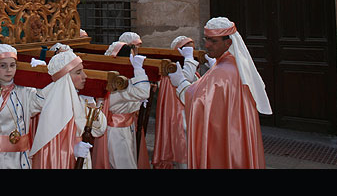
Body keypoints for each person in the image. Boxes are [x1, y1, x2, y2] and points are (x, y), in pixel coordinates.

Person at [168, 17, 272, 169]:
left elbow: (198, 100)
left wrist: (181, 83)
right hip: (235, 136)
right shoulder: (234, 65)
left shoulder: (222, 71)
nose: (207, 44)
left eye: (213, 41)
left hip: (225, 138)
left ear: (228, 43)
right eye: (207, 39)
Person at [30, 47, 107, 169]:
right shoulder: (50, 103)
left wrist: (91, 102)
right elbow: (50, 144)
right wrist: (71, 149)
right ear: (65, 78)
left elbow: (99, 130)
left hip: (82, 156)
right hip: (58, 159)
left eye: (83, 71)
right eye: (78, 72)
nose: (85, 76)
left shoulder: (83, 100)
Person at [94, 32, 151, 169]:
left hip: (125, 127)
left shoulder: (120, 80)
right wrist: (139, 69)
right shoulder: (118, 85)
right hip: (117, 131)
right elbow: (143, 92)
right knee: (124, 164)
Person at [152, 35, 200, 169]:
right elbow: (187, 79)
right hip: (179, 116)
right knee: (183, 154)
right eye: (188, 50)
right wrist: (189, 59)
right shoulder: (173, 70)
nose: (192, 52)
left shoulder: (189, 69)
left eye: (193, 50)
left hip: (191, 115)